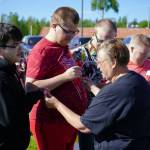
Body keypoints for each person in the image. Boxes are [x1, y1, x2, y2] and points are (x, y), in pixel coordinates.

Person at [45, 39, 150, 150]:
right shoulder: (138, 80)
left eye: (100, 62)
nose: (98, 67)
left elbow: (83, 126)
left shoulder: (116, 90)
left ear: (113, 63)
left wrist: (56, 104)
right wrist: (92, 88)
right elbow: (116, 103)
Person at [25, 7, 88, 150]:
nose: (71, 36)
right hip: (50, 122)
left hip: (67, 121)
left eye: (74, 32)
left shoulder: (63, 47)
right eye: (67, 31)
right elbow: (30, 87)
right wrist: (65, 77)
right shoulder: (41, 51)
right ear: (53, 26)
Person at [71, 19, 117, 150]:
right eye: (102, 41)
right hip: (89, 113)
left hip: (111, 110)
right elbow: (74, 86)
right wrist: (97, 87)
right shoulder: (78, 55)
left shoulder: (115, 54)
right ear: (93, 34)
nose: (106, 45)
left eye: (111, 41)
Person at [0, 23, 44, 150]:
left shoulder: (10, 70)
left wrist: (38, 93)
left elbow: (17, 103)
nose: (21, 48)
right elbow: (9, 118)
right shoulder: (2, 77)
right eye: (14, 45)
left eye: (20, 43)